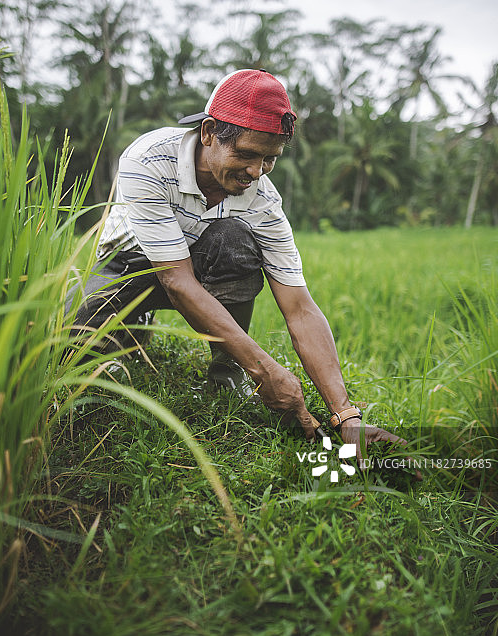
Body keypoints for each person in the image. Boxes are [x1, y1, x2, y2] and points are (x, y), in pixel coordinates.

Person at [68, 69, 406, 463]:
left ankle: (228, 372)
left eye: (269, 159)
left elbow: (299, 307)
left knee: (235, 239)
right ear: (209, 132)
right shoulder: (149, 160)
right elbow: (175, 280)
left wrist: (346, 414)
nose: (256, 172)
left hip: (198, 271)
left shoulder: (263, 201)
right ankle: (132, 328)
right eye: (246, 154)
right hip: (125, 266)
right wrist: (266, 369)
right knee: (74, 349)